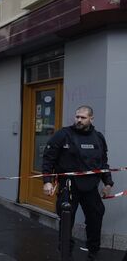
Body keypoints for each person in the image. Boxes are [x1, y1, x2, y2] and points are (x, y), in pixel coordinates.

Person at [42, 105, 114, 260]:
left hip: (90, 186)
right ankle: (65, 251)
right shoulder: (63, 135)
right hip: (69, 185)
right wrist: (47, 181)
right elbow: (48, 158)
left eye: (83, 117)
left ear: (91, 118)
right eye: (77, 117)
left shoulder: (98, 137)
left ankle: (93, 251)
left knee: (96, 215)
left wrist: (108, 183)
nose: (79, 120)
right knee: (67, 218)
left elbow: (103, 163)